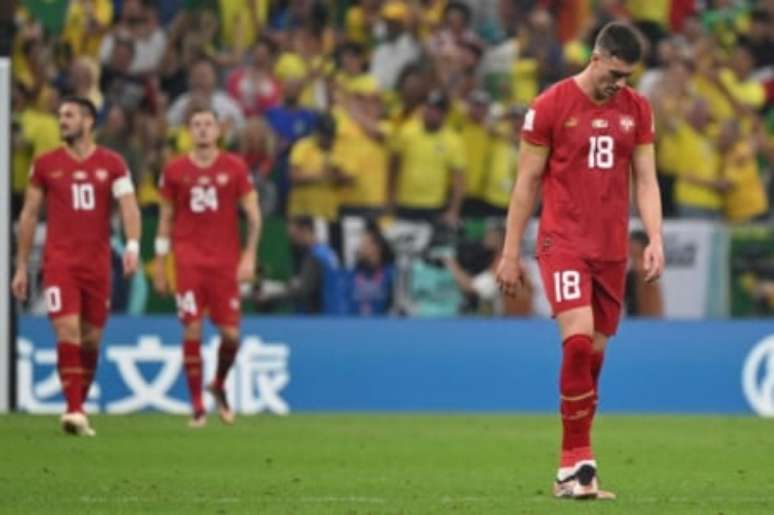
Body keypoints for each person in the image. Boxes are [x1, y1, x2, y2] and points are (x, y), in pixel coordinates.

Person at [495, 22, 665, 500]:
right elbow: (526, 183)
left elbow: (647, 181)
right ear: (596, 57)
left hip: (611, 251)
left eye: (628, 75)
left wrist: (654, 238)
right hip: (562, 242)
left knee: (592, 357)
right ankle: (578, 464)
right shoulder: (550, 106)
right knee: (575, 345)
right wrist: (510, 252)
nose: (620, 83)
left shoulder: (637, 109)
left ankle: (571, 472)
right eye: (614, 72)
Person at [12, 96, 141, 436]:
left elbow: (129, 206)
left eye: (69, 115)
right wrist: (22, 266)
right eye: (60, 115)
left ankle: (78, 407)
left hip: (98, 265)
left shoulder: (112, 163)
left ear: (88, 121)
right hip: (60, 263)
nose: (62, 121)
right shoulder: (45, 164)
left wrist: (132, 245)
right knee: (67, 331)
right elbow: (28, 214)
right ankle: (73, 409)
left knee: (91, 340)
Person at [153, 106, 262, 427]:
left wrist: (250, 255)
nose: (202, 129)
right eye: (196, 124)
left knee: (231, 336)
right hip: (188, 261)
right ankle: (197, 405)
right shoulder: (174, 170)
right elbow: (165, 220)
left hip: (225, 262)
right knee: (192, 327)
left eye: (208, 124)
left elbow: (254, 215)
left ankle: (218, 383)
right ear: (188, 130)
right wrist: (161, 264)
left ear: (219, 130)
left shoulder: (235, 167)